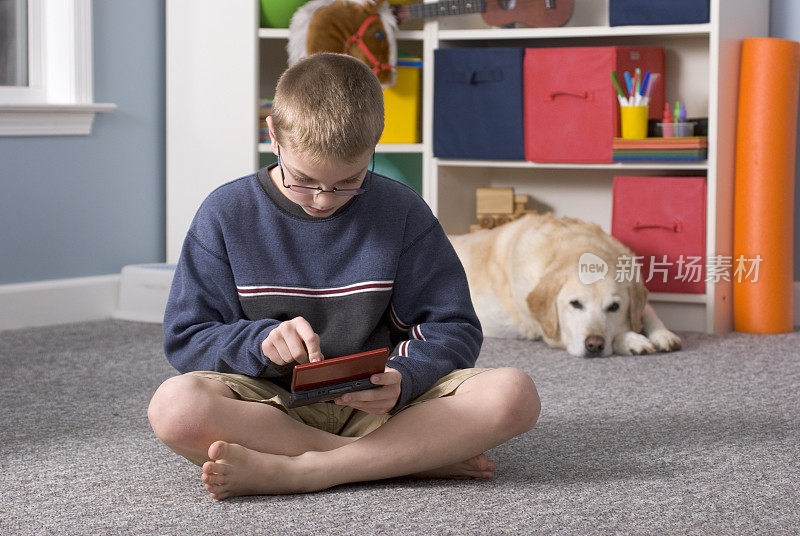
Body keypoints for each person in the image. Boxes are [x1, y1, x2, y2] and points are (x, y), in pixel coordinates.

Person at [147, 52, 540, 499]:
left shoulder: (402, 211)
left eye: (348, 181)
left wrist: (403, 376)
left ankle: (312, 469)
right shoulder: (225, 213)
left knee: (515, 394)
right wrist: (259, 343)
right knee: (174, 408)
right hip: (271, 405)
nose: (322, 199)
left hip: (383, 402)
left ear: (374, 145)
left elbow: (453, 327)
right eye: (304, 180)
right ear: (272, 135)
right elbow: (186, 336)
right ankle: (401, 460)